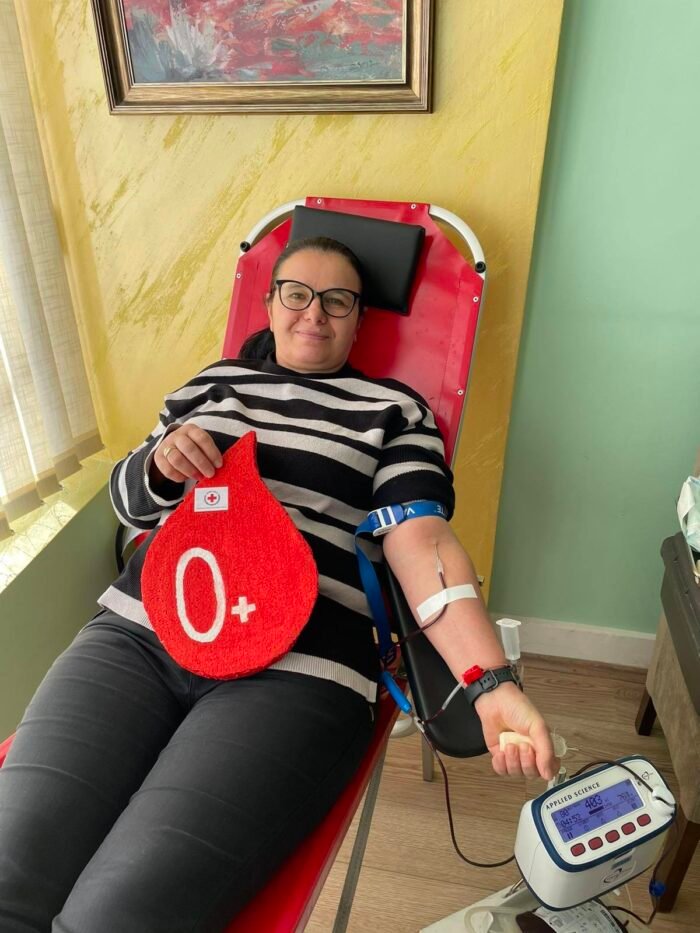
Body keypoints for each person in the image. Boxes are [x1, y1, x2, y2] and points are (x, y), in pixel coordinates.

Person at [0, 236, 558, 932]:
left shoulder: (393, 410)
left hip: (299, 669)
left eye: (337, 301)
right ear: (268, 305)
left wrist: (490, 681)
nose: (313, 313)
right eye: (297, 294)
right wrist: (162, 464)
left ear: (359, 319)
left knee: (112, 919)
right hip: (139, 638)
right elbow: (131, 505)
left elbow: (422, 540)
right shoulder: (215, 385)